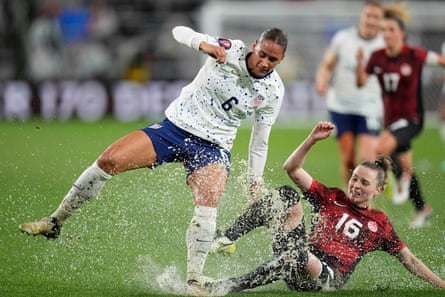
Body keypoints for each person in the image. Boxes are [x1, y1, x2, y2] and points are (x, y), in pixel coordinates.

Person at [18, 25, 288, 295]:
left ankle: (194, 281)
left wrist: (255, 181)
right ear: (255, 45)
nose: (265, 62)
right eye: (262, 54)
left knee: (208, 203)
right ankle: (55, 221)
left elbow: (259, 140)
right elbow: (178, 31)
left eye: (272, 59)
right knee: (109, 160)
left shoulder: (273, 91)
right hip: (174, 129)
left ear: (281, 60)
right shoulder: (229, 50)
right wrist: (202, 45)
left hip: (213, 147)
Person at [204, 121, 445, 295]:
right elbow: (292, 169)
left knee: (297, 255)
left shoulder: (379, 223)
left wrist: (442, 285)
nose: (355, 185)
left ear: (378, 190)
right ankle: (227, 237)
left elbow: (410, 261)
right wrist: (311, 140)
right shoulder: (332, 197)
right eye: (354, 178)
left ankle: (226, 286)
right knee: (287, 195)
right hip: (298, 257)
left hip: (325, 276)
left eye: (364, 182)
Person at [356, 3, 445, 227]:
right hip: (391, 121)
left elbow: (441, 61)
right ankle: (422, 208)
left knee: (381, 149)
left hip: (412, 119)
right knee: (405, 166)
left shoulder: (414, 54)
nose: (386, 34)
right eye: (383, 30)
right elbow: (361, 81)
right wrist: (359, 63)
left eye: (391, 30)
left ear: (402, 33)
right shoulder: (376, 56)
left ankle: (386, 187)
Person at [315, 0, 384, 185]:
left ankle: (366, 207)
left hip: (369, 107)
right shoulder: (343, 38)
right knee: (348, 160)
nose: (371, 20)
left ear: (381, 21)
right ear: (362, 16)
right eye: (368, 15)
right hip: (340, 105)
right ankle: (351, 203)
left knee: (367, 162)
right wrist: (322, 80)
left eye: (376, 17)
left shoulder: (384, 45)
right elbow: (327, 64)